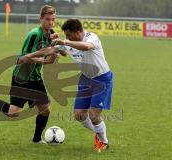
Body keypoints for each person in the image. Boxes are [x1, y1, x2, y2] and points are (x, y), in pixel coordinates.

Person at [21, 19, 113, 151]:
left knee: (94, 115)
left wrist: (65, 42)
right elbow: (50, 50)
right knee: (79, 115)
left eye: (69, 35)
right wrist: (29, 56)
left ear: (78, 32)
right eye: (66, 36)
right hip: (86, 79)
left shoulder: (92, 37)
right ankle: (99, 132)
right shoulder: (68, 42)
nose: (67, 37)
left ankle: (103, 141)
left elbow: (87, 47)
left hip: (102, 79)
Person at [0, 5, 59, 144]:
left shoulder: (51, 35)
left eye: (53, 20)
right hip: (22, 78)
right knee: (13, 113)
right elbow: (23, 58)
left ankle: (37, 139)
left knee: (45, 109)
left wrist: (56, 50)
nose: (50, 23)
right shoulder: (34, 34)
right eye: (47, 19)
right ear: (40, 19)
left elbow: (49, 61)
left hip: (36, 78)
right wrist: (46, 53)